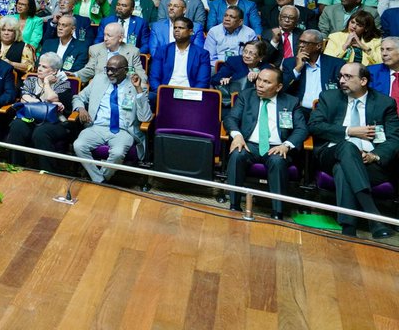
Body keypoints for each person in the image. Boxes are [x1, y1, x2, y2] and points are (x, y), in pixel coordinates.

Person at [308, 62, 399, 238]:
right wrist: (350, 131)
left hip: (369, 162)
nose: (342, 80)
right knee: (348, 147)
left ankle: (348, 229)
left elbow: (394, 138)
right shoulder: (329, 97)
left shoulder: (384, 103)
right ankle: (373, 217)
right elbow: (314, 126)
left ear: (363, 80)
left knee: (343, 169)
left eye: (348, 77)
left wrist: (375, 156)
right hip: (331, 153)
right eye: (341, 76)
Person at [224, 65, 307, 219]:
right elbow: (231, 118)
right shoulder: (246, 96)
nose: (260, 85)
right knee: (237, 155)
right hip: (249, 144)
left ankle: (277, 212)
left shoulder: (291, 102)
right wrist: (236, 135)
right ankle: (234, 205)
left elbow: (301, 129)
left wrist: (286, 145)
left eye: (267, 82)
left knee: (277, 161)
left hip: (277, 147)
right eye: (259, 80)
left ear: (278, 87)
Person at [73, 54, 153, 183]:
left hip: (123, 130)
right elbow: (78, 98)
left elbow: (146, 117)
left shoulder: (137, 86)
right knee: (78, 145)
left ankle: (100, 179)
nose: (110, 73)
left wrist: (138, 89)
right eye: (108, 69)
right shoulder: (98, 80)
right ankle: (100, 180)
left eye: (114, 70)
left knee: (117, 153)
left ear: (125, 70)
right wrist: (81, 109)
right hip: (96, 127)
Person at [6, 52, 74, 173]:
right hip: (32, 118)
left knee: (41, 132)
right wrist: (43, 103)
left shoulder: (64, 84)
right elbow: (24, 98)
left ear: (54, 71)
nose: (39, 69)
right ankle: (16, 166)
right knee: (17, 126)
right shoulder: (31, 80)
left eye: (44, 67)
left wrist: (47, 83)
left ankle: (47, 171)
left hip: (55, 122)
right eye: (39, 65)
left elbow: (52, 98)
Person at [148, 17, 212, 92]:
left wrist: (191, 95)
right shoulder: (162, 51)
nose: (177, 30)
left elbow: (202, 82)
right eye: (175, 28)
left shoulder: (202, 54)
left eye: (181, 28)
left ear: (191, 32)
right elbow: (154, 78)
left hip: (190, 94)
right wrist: (161, 93)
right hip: (165, 92)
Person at [77, 22, 144, 86]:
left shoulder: (133, 51)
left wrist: (140, 85)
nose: (105, 39)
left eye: (109, 36)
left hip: (124, 87)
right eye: (104, 35)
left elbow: (140, 74)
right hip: (101, 85)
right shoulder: (96, 49)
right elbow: (90, 69)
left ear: (120, 38)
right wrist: (74, 75)